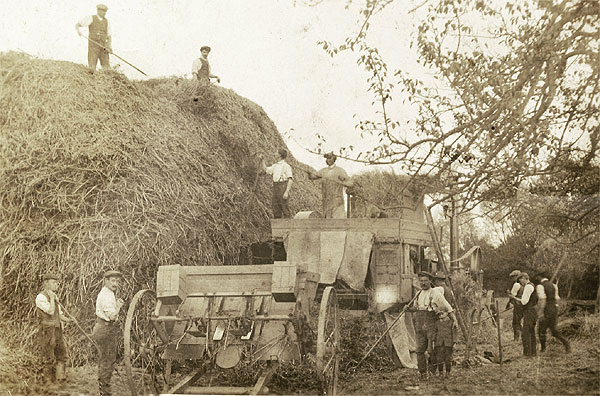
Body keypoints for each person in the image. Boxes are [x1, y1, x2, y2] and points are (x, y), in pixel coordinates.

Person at [408, 271, 456, 380]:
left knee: (432, 350)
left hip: (431, 325)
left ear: (430, 281)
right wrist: (408, 309)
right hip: (419, 326)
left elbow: (448, 307)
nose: (423, 283)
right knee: (419, 350)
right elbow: (416, 308)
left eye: (425, 281)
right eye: (421, 281)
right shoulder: (418, 294)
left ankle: (433, 371)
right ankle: (423, 373)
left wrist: (455, 320)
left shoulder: (435, 293)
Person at [35, 273, 72, 385]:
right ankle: (47, 383)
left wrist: (69, 320)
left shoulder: (54, 297)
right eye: (53, 282)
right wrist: (52, 298)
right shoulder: (41, 297)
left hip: (57, 329)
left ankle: (60, 380)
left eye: (57, 282)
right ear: (46, 283)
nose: (57, 284)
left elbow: (59, 314)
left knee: (61, 354)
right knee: (48, 356)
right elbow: (50, 311)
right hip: (47, 331)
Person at [93, 270, 125, 396]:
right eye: (112, 280)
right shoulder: (106, 295)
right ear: (105, 281)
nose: (115, 283)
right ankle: (105, 392)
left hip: (104, 328)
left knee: (105, 359)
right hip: (105, 329)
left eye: (117, 281)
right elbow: (112, 316)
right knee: (107, 360)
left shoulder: (108, 293)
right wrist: (118, 306)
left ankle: (104, 388)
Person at [308, 152, 353, 218]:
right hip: (327, 200)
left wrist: (343, 183)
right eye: (326, 158)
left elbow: (350, 183)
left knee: (337, 220)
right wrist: (309, 173)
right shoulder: (323, 171)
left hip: (337, 201)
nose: (327, 160)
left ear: (334, 159)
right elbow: (313, 177)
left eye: (329, 158)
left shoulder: (340, 171)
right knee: (327, 220)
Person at [535, 273, 571, 353]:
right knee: (554, 331)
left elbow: (543, 300)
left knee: (541, 330)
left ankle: (543, 349)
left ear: (540, 277)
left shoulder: (540, 286)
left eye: (537, 277)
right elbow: (557, 299)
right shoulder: (554, 285)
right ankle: (567, 345)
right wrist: (556, 309)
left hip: (546, 310)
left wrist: (540, 313)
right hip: (553, 309)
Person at [432, 271, 455, 378]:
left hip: (443, 314)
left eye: (435, 280)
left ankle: (441, 371)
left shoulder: (438, 290)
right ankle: (442, 372)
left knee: (444, 355)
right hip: (447, 315)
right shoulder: (449, 290)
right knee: (443, 355)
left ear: (437, 280)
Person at [75, 4, 112, 71]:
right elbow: (77, 24)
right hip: (93, 47)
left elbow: (109, 36)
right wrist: (78, 31)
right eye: (102, 11)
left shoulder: (107, 21)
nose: (104, 13)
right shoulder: (91, 18)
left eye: (105, 11)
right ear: (98, 10)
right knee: (92, 67)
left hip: (103, 47)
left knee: (107, 68)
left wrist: (109, 47)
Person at [509, 272, 538, 357]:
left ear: (524, 278)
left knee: (526, 332)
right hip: (533, 310)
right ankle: (533, 352)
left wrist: (513, 298)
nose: (520, 283)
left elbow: (524, 301)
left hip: (529, 311)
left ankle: (527, 353)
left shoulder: (528, 286)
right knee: (531, 332)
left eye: (520, 280)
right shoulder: (532, 285)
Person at [260, 149, 293, 218]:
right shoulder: (275, 166)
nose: (274, 154)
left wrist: (286, 192)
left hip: (282, 187)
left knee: (285, 208)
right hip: (275, 187)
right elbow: (266, 169)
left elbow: (290, 180)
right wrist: (262, 160)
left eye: (276, 153)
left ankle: (289, 227)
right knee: (275, 208)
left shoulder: (286, 166)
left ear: (280, 155)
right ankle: (278, 228)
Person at [506, 269, 524, 341]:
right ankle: (523, 336)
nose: (512, 279)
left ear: (517, 276)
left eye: (513, 277)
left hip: (518, 305)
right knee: (519, 321)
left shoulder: (516, 284)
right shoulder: (524, 284)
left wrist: (508, 293)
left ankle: (516, 338)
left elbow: (512, 296)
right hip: (523, 305)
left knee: (515, 322)